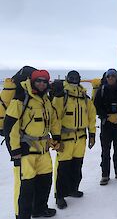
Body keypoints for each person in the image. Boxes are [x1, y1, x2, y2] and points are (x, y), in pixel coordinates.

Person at [4, 70, 61, 219]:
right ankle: (22, 216)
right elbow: (11, 127)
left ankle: (39, 209)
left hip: (43, 151)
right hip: (25, 152)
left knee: (44, 182)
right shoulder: (20, 100)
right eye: (38, 81)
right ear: (32, 81)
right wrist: (14, 151)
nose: (41, 84)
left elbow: (54, 120)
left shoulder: (46, 100)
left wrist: (56, 137)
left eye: (44, 81)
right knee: (25, 188)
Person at [52, 70, 96, 209]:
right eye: (71, 77)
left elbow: (91, 116)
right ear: (67, 78)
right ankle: (59, 195)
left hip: (81, 138)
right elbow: (55, 118)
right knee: (62, 168)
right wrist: (56, 139)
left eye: (76, 77)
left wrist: (92, 134)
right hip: (65, 139)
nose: (73, 79)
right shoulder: (61, 97)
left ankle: (72, 188)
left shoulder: (84, 97)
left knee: (77, 166)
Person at [94, 69, 117, 185]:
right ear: (105, 77)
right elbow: (96, 107)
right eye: (108, 76)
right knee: (105, 150)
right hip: (106, 124)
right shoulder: (101, 91)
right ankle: (105, 175)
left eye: (113, 76)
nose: (111, 78)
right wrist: (106, 116)